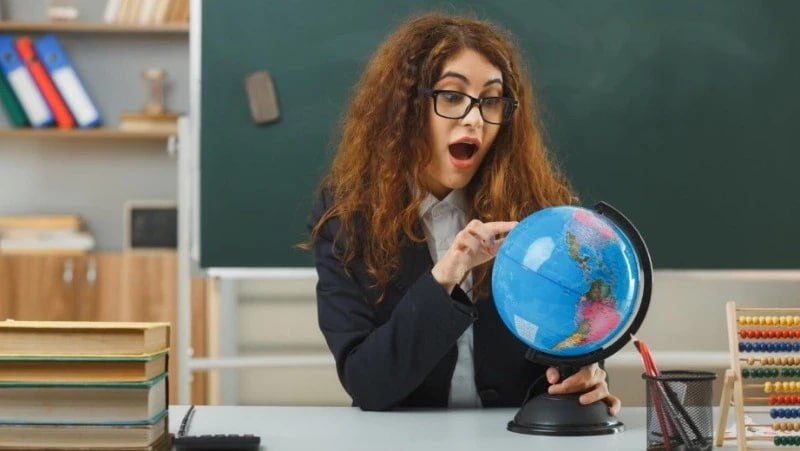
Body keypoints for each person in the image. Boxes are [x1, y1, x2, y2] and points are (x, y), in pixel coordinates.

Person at [306, 12, 620, 413]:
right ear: (406, 109)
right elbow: (367, 383)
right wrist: (445, 277)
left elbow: (571, 342)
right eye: (452, 96)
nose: (475, 119)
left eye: (491, 100)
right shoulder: (346, 218)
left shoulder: (537, 212)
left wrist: (586, 375)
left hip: (516, 436)